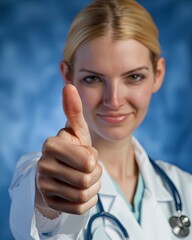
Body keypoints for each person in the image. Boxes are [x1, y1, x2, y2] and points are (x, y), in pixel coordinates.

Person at [9, 0, 192, 239]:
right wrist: (45, 199)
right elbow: (41, 216)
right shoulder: (43, 172)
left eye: (134, 76)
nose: (114, 100)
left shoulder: (185, 188)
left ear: (158, 75)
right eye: (93, 79)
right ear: (68, 75)